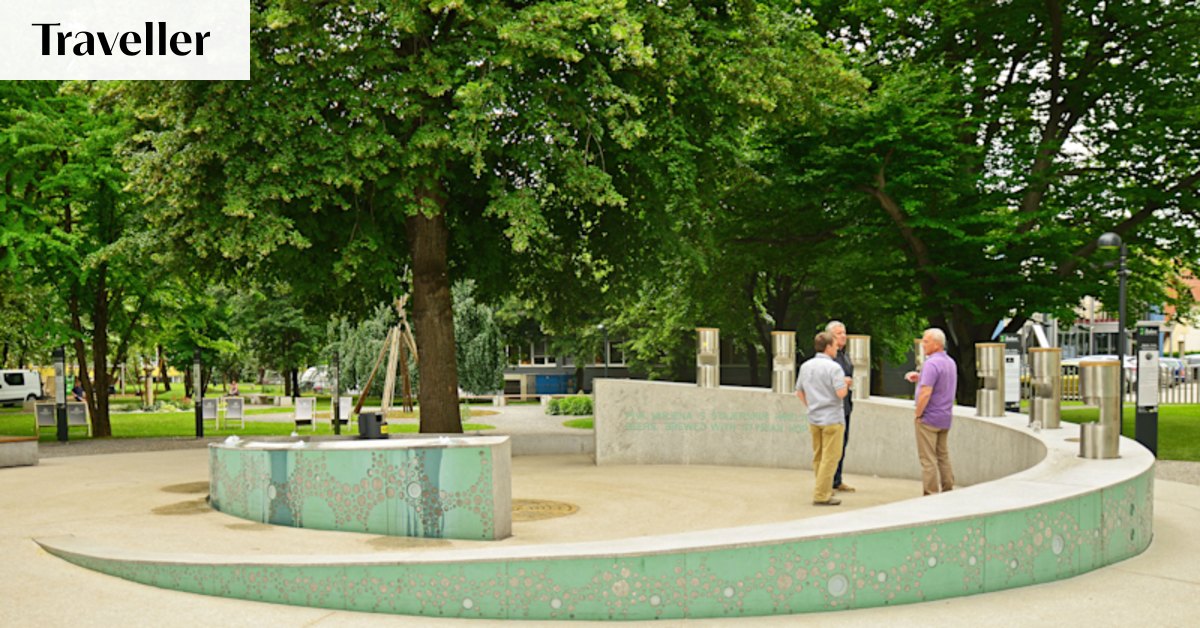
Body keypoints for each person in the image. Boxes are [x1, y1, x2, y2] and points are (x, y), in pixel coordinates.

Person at [795, 331, 850, 506]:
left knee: (818, 456)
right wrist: (846, 384)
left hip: (814, 417)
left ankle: (823, 489)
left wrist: (811, 406)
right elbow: (840, 393)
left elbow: (799, 392)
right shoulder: (834, 368)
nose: (837, 349)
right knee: (831, 458)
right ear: (828, 347)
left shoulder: (806, 366)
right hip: (832, 418)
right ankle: (821, 494)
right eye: (834, 346)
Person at [910, 328, 958, 496]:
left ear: (937, 344)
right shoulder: (950, 362)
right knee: (943, 456)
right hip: (945, 417)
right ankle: (948, 489)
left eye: (926, 341)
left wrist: (918, 413)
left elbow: (926, 392)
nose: (923, 345)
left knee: (928, 459)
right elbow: (941, 383)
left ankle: (930, 493)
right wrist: (920, 377)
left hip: (929, 418)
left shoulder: (931, 364)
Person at [826, 321, 855, 493]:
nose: (843, 336)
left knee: (842, 444)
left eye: (844, 332)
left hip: (845, 407)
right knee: (832, 447)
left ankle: (837, 480)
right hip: (832, 408)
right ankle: (827, 481)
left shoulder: (845, 355)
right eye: (839, 333)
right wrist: (842, 381)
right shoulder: (828, 358)